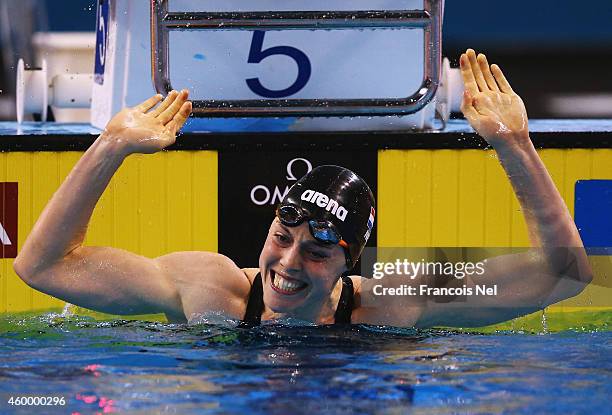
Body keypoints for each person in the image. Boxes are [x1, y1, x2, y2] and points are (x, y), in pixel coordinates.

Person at [13, 50, 592, 327]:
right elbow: (44, 268)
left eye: (316, 251)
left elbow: (564, 275)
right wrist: (110, 147)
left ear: (350, 259)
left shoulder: (392, 299)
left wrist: (515, 145)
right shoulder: (210, 289)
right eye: (281, 236)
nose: (286, 263)